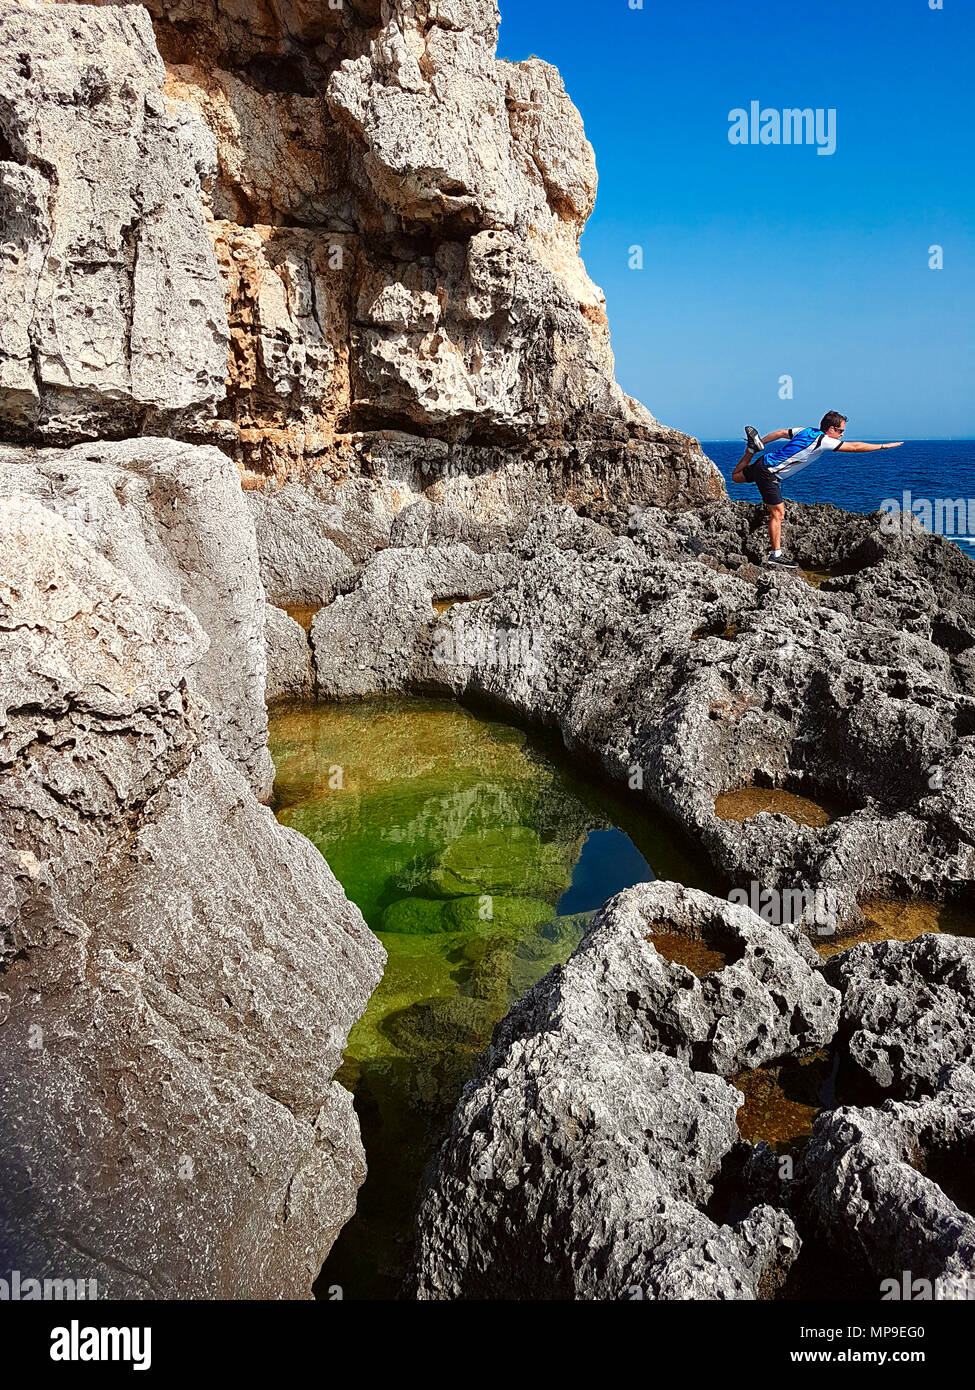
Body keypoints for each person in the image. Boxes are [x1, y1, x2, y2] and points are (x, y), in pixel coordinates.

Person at [731, 411, 904, 567]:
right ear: (831, 429)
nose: (842, 434)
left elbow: (781, 433)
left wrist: (761, 442)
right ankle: (776, 555)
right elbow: (854, 447)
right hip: (770, 473)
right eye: (841, 431)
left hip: (765, 462)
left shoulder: (806, 430)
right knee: (778, 513)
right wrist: (882, 446)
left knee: (736, 477)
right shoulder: (824, 441)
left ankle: (751, 449)